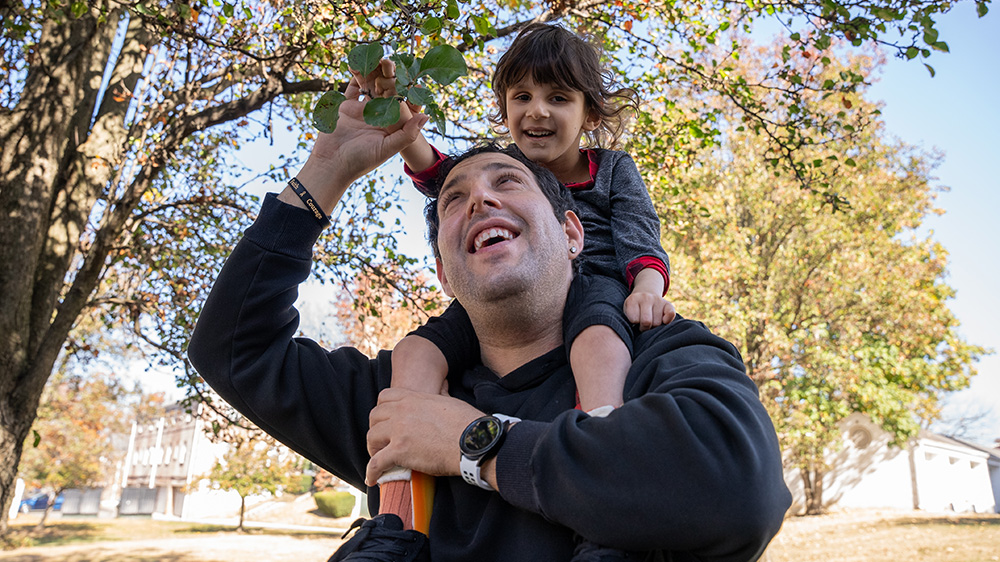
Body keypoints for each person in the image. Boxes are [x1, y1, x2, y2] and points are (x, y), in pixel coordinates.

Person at [187, 71, 791, 561]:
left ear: (572, 232)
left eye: (509, 181)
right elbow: (233, 350)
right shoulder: (399, 405)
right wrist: (327, 170)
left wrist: (469, 444)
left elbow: (740, 489)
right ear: (445, 273)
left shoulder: (655, 354)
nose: (480, 197)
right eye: (454, 199)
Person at [364, 23, 677, 535]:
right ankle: (398, 511)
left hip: (592, 285)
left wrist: (646, 288)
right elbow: (438, 175)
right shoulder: (499, 170)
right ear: (505, 109)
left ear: (588, 113)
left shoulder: (612, 169)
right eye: (523, 96)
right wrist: (401, 120)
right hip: (499, 299)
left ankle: (598, 463)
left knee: (597, 340)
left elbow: (639, 232)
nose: (538, 110)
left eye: (558, 97)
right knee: (416, 351)